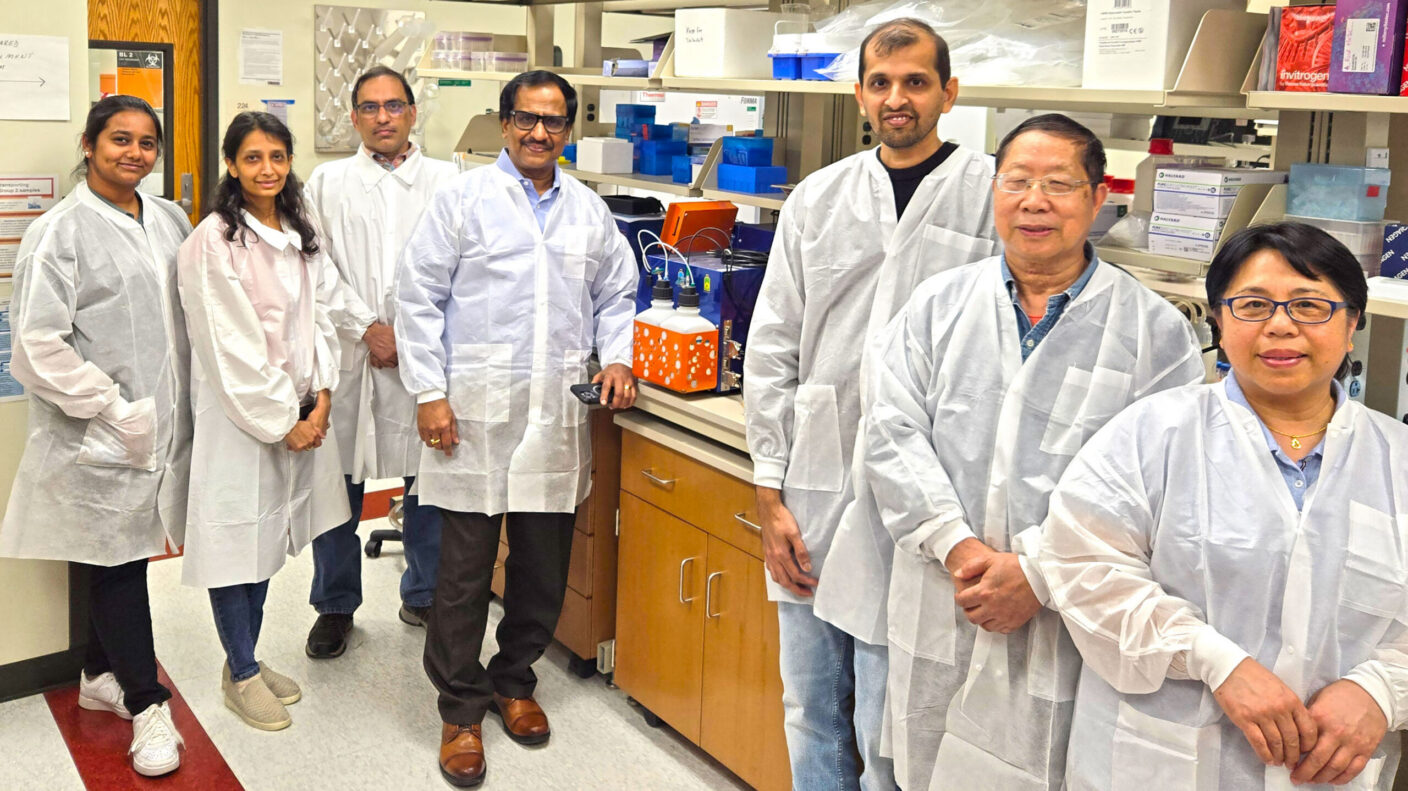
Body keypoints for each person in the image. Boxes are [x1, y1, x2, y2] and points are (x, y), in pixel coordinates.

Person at [866, 114, 1206, 790]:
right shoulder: (937, 305)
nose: (1034, 202)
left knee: (1046, 770)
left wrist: (1039, 572)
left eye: (1058, 184)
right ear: (994, 192)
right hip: (946, 593)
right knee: (924, 765)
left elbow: (1164, 488)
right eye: (1016, 182)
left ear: (1097, 198)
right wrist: (960, 548)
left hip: (1068, 618)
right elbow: (888, 433)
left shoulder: (1155, 333)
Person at [1039, 222, 1408, 789]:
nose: (1281, 325)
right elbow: (1081, 568)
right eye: (1253, 304)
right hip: (1162, 760)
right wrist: (1215, 660)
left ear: (1352, 322)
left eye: (1311, 306)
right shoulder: (1151, 434)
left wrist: (1380, 689)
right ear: (1218, 318)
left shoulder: (1397, 460)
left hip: (1331, 770)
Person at [744, 18, 998, 790]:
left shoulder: (990, 194)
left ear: (948, 93)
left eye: (916, 81)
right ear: (860, 92)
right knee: (812, 706)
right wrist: (769, 490)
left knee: (896, 723)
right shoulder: (819, 198)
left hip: (928, 494)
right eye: (882, 83)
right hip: (816, 486)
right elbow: (774, 344)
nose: (898, 98)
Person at [396, 70, 637, 787]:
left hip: (555, 415)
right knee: (464, 573)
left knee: (541, 565)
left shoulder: (588, 211)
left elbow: (616, 291)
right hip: (471, 412)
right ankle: (461, 706)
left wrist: (618, 356)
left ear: (568, 131)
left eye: (554, 122)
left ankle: (514, 678)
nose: (540, 133)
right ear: (504, 125)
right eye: (527, 120)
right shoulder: (463, 200)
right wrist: (429, 393)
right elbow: (416, 297)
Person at [0, 95, 191, 777]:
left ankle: (96, 673)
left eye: (146, 142)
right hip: (101, 430)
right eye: (119, 139)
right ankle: (147, 704)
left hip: (156, 425)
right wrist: (113, 407)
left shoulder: (167, 217)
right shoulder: (62, 230)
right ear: (89, 144)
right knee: (115, 561)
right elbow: (37, 346)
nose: (134, 153)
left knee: (125, 556)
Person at [177, 112, 359, 731]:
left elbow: (323, 314)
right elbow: (230, 345)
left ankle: (243, 661)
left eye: (278, 156)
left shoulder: (298, 229)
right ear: (232, 165)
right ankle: (242, 672)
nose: (267, 169)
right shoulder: (214, 240)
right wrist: (285, 420)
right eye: (253, 158)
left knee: (266, 544)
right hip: (243, 419)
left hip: (301, 409)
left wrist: (324, 392)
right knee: (236, 546)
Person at [302, 65, 457, 658]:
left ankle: (424, 595)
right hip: (350, 354)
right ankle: (335, 606)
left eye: (394, 106)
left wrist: (411, 337)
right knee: (338, 485)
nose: (383, 117)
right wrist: (368, 327)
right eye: (370, 107)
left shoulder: (449, 181)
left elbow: (462, 270)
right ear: (354, 117)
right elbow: (314, 268)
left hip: (427, 357)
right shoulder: (327, 182)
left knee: (431, 483)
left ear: (413, 114)